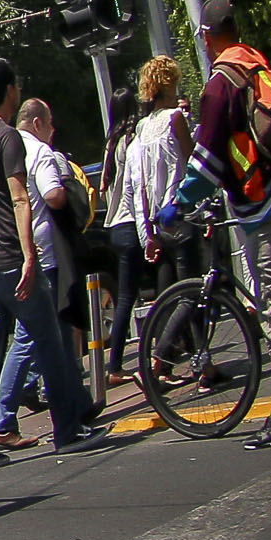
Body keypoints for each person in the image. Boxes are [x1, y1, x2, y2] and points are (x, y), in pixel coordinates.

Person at [0, 59, 111, 471]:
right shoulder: (8, 138)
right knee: (50, 343)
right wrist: (30, 256)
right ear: (10, 91)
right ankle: (67, 431)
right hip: (12, 258)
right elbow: (21, 199)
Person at [188, 0, 271, 448]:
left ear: (206, 37)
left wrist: (177, 206)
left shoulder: (220, 83)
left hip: (267, 200)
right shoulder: (254, 62)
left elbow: (205, 159)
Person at [0, 98, 89, 448]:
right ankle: (5, 419)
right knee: (36, 337)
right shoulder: (40, 153)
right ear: (36, 123)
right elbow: (54, 195)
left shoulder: (4, 150)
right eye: (49, 123)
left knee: (48, 337)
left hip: (13, 253)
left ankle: (75, 407)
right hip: (44, 255)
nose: (53, 130)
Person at [100, 57, 190, 393]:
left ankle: (173, 357)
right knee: (165, 293)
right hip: (153, 218)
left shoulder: (119, 140)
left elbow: (127, 184)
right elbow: (187, 163)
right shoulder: (140, 134)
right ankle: (152, 358)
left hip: (131, 221)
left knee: (166, 291)